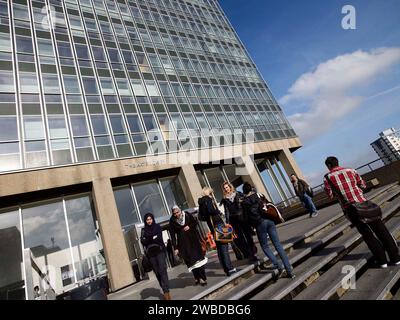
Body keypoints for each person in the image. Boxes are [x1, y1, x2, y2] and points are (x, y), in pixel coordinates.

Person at [324, 156, 400, 268]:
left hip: (351, 209)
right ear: (337, 163)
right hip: (365, 205)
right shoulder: (351, 170)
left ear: (329, 166)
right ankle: (395, 258)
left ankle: (382, 261)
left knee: (368, 235)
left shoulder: (327, 178)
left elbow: (330, 195)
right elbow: (363, 185)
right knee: (382, 231)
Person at [242, 182, 295, 279]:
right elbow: (266, 205)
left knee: (265, 246)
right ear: (251, 189)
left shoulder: (244, 202)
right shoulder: (258, 196)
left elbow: (246, 218)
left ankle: (279, 266)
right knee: (278, 245)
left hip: (259, 224)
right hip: (269, 221)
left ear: (244, 191)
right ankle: (289, 270)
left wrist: (251, 227)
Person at [198, 187, 237, 277]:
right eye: (211, 193)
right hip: (218, 224)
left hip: (212, 227)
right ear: (208, 193)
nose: (212, 195)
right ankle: (230, 268)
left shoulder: (201, 202)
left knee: (220, 249)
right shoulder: (207, 200)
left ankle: (226, 269)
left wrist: (207, 218)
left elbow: (200, 217)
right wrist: (217, 211)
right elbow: (211, 210)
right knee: (224, 247)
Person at [169, 205, 208, 285]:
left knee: (199, 259)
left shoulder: (187, 214)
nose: (177, 214)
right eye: (174, 213)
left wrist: (189, 226)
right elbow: (173, 236)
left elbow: (195, 222)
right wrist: (175, 247)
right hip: (183, 244)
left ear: (180, 210)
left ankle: (203, 278)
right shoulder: (172, 221)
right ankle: (196, 277)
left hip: (194, 241)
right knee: (191, 261)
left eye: (177, 212)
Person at [220, 181, 258, 263]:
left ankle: (253, 251)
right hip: (233, 220)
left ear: (230, 187)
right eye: (225, 188)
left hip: (242, 218)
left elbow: (246, 200)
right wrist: (227, 222)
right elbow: (226, 211)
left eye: (227, 187)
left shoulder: (238, 194)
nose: (226, 189)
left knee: (247, 235)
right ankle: (248, 254)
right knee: (239, 238)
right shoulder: (225, 199)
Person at [140, 213, 171, 300]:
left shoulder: (157, 227)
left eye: (150, 219)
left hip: (160, 251)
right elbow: (143, 241)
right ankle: (164, 288)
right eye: (147, 220)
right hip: (151, 254)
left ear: (153, 219)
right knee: (157, 272)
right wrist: (152, 238)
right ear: (145, 221)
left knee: (162, 270)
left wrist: (149, 239)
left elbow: (159, 238)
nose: (149, 221)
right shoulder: (144, 230)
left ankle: (166, 291)